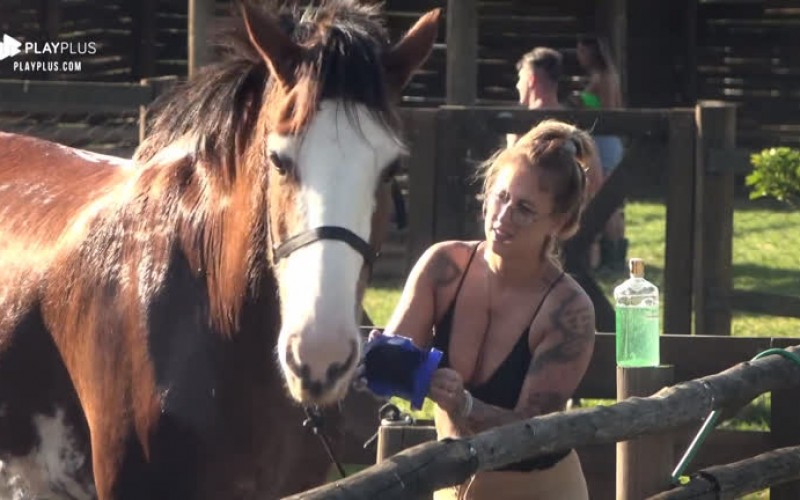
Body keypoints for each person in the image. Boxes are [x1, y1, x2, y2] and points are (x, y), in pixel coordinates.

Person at [374, 120, 597, 499]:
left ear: (558, 223)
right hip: (452, 484)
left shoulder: (568, 310)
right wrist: (399, 368)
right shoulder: (443, 266)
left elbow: (531, 432)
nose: (503, 216)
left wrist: (465, 405)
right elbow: (389, 361)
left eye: (524, 208)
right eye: (501, 196)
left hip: (538, 490)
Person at [511, 47, 603, 267]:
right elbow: (596, 180)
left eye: (520, 78)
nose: (517, 85)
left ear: (531, 79)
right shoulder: (575, 124)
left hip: (524, 232)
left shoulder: (519, 126)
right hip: (569, 226)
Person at [575, 35, 627, 271]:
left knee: (606, 199)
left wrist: (583, 102)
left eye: (582, 51)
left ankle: (613, 255)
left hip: (604, 139)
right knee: (607, 199)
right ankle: (612, 253)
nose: (579, 56)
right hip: (607, 139)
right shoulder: (610, 75)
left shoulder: (603, 77)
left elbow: (607, 110)